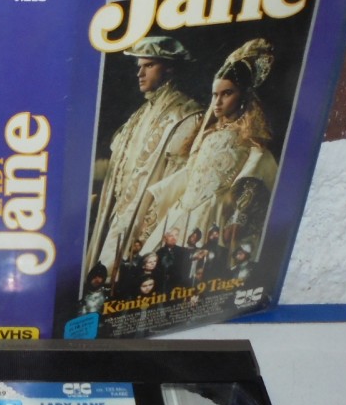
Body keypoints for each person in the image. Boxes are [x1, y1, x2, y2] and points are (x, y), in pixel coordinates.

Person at [141, 38, 279, 273]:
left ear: (243, 95)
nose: (218, 102)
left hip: (217, 214)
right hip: (184, 210)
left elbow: (251, 180)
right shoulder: (207, 134)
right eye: (215, 95)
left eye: (227, 94)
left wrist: (237, 218)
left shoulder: (249, 141)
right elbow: (191, 174)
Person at [85, 36, 203, 276]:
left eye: (149, 65)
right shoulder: (138, 116)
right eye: (139, 66)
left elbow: (175, 186)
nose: (140, 73)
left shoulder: (187, 115)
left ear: (169, 68)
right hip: (118, 215)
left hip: (146, 219)